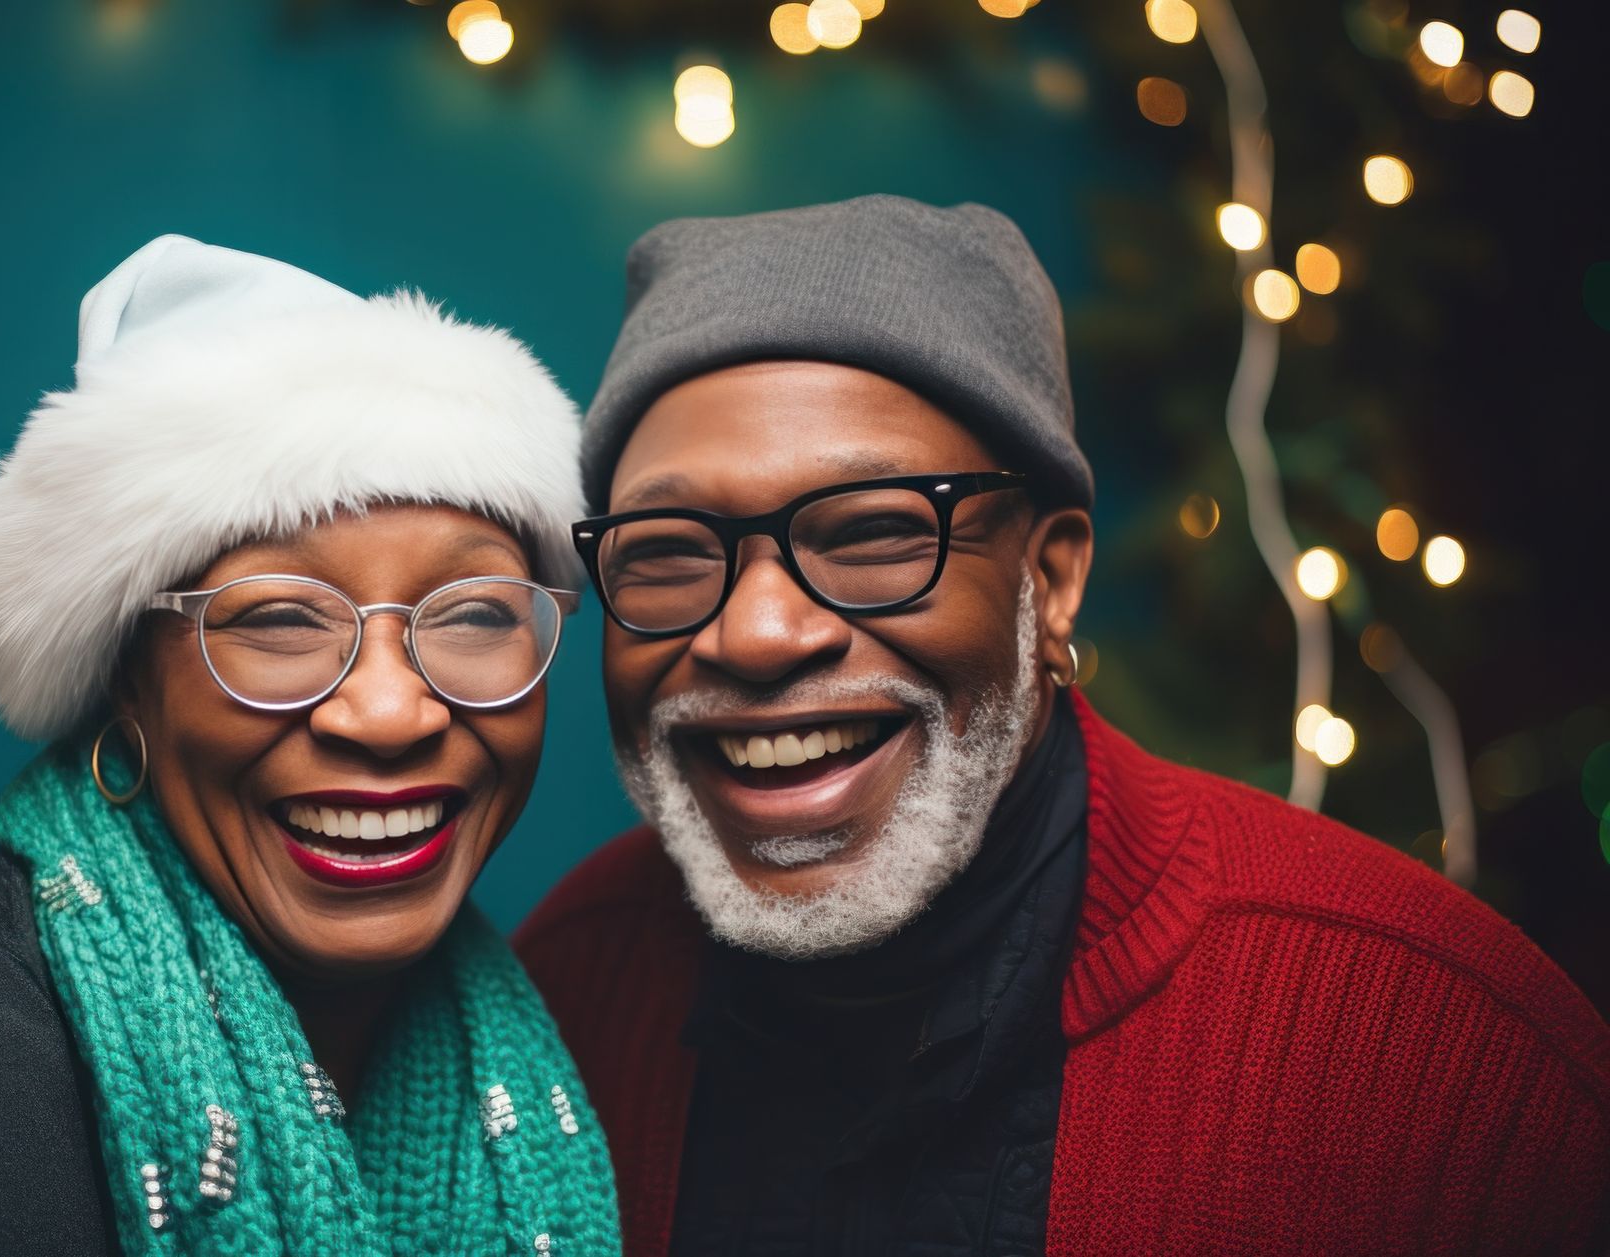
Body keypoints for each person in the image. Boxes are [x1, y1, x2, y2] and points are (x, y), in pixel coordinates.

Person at [515, 195, 1610, 1254]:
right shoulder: (560, 1002)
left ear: (1051, 579)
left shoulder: (1434, 1052)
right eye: (664, 553)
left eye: (874, 535)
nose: (755, 634)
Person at [0, 236, 621, 1256]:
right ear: (127, 677)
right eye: (278, 619)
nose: (391, 713)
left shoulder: (608, 1032)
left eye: (476, 614)